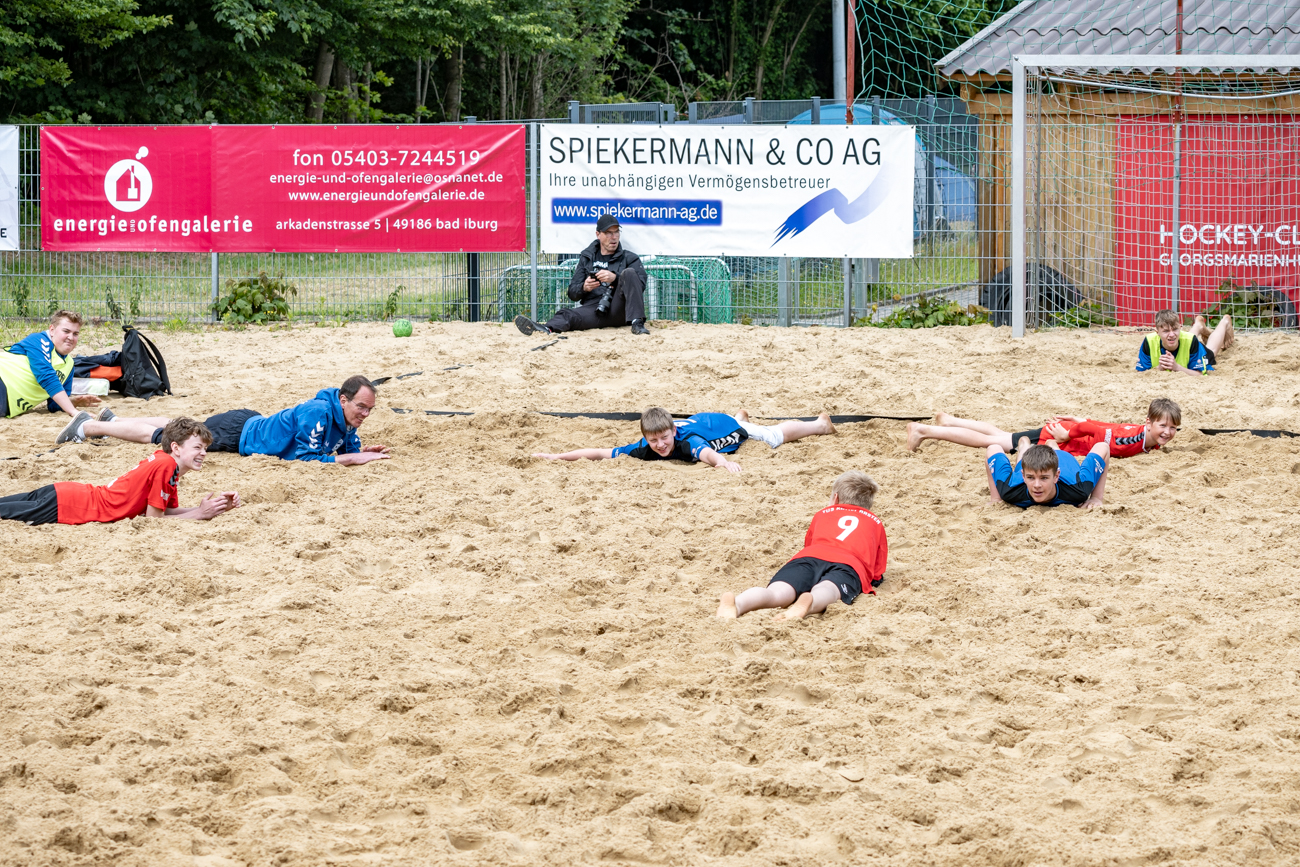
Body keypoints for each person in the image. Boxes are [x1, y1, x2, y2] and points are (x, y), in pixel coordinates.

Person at [57, 375, 391, 466]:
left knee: (178, 423)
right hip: (238, 434)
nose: (364, 414)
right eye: (361, 407)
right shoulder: (318, 413)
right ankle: (89, 426)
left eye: (369, 410)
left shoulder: (342, 415)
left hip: (249, 423)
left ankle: (115, 419)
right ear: (343, 400)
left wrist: (361, 452)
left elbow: (346, 447)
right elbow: (307, 458)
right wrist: (352, 459)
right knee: (164, 436)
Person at [0, 417, 240, 525]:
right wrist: (199, 515)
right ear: (176, 448)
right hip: (70, 506)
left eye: (205, 448)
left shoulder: (164, 462)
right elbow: (154, 521)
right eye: (197, 447)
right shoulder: (166, 466)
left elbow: (164, 511)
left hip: (68, 494)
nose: (203, 453)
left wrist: (208, 508)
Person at [717, 471, 887, 621]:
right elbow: (878, 568)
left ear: (835, 498)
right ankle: (810, 602)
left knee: (777, 592)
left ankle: (738, 604)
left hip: (810, 556)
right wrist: (875, 580)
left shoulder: (822, 514)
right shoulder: (875, 522)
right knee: (828, 588)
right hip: (848, 564)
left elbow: (809, 543)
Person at [533, 407, 835, 474]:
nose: (660, 446)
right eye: (654, 441)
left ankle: (820, 425)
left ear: (673, 432)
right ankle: (741, 415)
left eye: (664, 438)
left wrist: (724, 463)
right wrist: (556, 457)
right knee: (750, 426)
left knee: (771, 436)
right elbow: (600, 452)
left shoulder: (686, 441)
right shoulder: (644, 447)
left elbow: (707, 455)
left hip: (722, 426)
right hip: (703, 421)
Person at [906, 398, 1181, 460]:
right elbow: (1097, 432)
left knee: (1001, 435)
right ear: (1148, 423)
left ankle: (950, 421)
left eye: (1172, 428)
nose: (1167, 432)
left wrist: (1077, 420)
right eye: (1163, 426)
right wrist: (1069, 432)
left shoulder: (1146, 436)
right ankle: (924, 431)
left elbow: (1107, 426)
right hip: (1060, 438)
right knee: (993, 442)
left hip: (1067, 433)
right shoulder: (1134, 440)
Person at [514, 214, 650, 336]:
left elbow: (640, 284)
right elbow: (572, 293)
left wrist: (616, 278)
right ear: (598, 234)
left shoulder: (629, 258)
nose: (613, 237)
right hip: (595, 310)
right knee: (567, 314)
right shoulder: (587, 257)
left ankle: (637, 324)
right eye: (608, 233)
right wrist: (584, 287)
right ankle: (545, 329)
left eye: (616, 232)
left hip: (619, 309)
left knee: (629, 273)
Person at [0, 309, 101, 419]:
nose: (71, 337)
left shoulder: (69, 365)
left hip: (7, 405)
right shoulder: (39, 340)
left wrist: (72, 401)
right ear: (52, 330)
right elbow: (46, 376)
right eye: (66, 331)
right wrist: (73, 411)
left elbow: (53, 405)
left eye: (75, 333)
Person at [986, 438, 1109, 509]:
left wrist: (1096, 497)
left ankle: (1052, 444)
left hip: (1063, 459)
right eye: (1030, 478)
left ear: (1056, 476)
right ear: (1023, 476)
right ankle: (1024, 445)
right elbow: (992, 449)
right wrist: (996, 498)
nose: (1037, 485)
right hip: (1028, 466)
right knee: (1023, 459)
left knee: (1055, 452)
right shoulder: (1009, 490)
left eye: (1044, 478)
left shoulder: (1079, 489)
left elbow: (1103, 446)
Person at [1137, 309, 1233, 375]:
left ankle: (1224, 322)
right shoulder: (1149, 341)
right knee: (1182, 338)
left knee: (1212, 351)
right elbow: (1141, 373)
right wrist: (1159, 368)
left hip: (1193, 346)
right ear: (1157, 332)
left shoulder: (1191, 341)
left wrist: (1177, 367)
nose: (1171, 334)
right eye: (1166, 331)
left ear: (1180, 328)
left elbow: (1200, 374)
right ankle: (1198, 325)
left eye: (1175, 329)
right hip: (1185, 342)